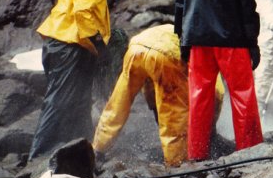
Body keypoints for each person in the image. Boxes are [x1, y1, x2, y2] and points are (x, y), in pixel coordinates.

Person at [174, 0, 263, 161]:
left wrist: (183, 41)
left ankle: (196, 155)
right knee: (242, 95)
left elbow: (180, 6)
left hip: (198, 42)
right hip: (232, 42)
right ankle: (249, 153)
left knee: (199, 97)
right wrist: (253, 44)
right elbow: (247, 10)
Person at [29, 0, 120, 159]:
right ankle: (39, 155)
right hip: (68, 44)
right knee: (59, 98)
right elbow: (83, 10)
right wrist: (93, 40)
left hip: (62, 42)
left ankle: (85, 145)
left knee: (79, 97)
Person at [91, 24, 225, 166]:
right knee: (174, 114)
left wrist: (153, 104)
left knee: (118, 102)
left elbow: (151, 84)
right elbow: (218, 93)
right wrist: (210, 127)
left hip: (136, 48)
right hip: (167, 55)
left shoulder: (181, 31)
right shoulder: (206, 55)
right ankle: (176, 164)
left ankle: (98, 148)